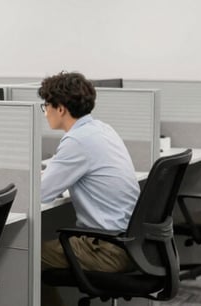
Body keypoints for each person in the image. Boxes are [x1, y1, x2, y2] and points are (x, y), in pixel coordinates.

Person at [38, 72, 140, 305]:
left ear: (60, 108)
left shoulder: (77, 141)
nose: (45, 113)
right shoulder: (102, 129)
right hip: (133, 243)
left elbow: (40, 193)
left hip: (108, 249)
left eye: (46, 106)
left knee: (26, 256)